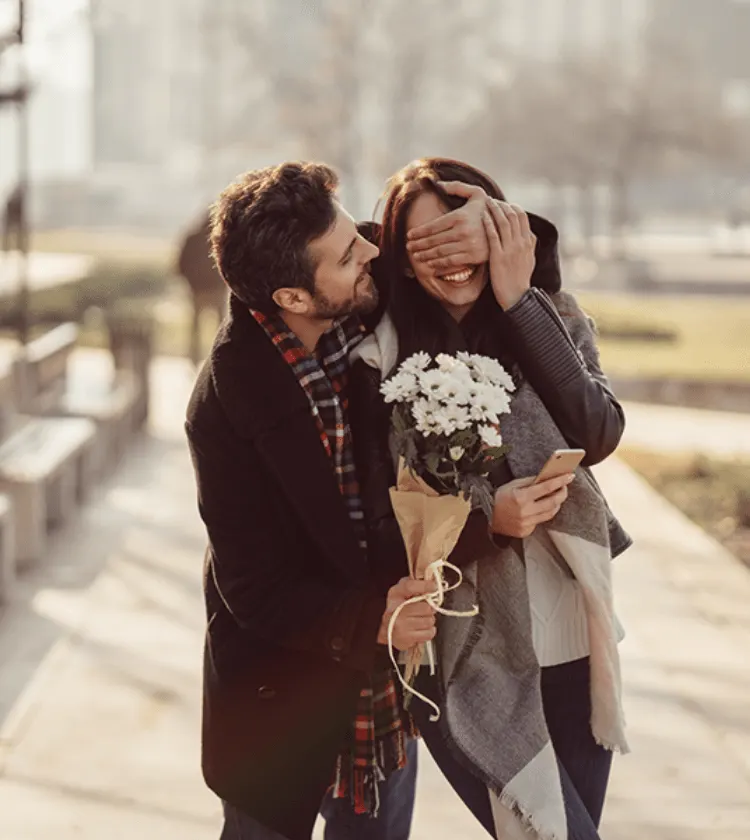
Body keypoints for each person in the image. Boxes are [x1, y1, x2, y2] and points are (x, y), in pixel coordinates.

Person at [349, 158, 632, 840]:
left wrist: (518, 294)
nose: (451, 260)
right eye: (427, 245)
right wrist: (486, 523)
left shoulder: (547, 316)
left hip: (571, 639)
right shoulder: (377, 361)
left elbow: (598, 431)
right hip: (467, 655)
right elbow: (375, 526)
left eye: (464, 237)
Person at [185, 162, 443, 840]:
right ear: (294, 298)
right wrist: (375, 622)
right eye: (348, 254)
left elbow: (493, 257)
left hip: (381, 700)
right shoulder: (224, 406)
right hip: (277, 703)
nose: (371, 252)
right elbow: (252, 588)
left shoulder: (356, 294)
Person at [176, 211, 228, 366]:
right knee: (221, 328)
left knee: (196, 327)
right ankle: (220, 358)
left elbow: (181, 264)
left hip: (198, 290)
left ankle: (194, 359)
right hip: (214, 289)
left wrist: (191, 282)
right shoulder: (219, 239)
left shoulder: (191, 238)